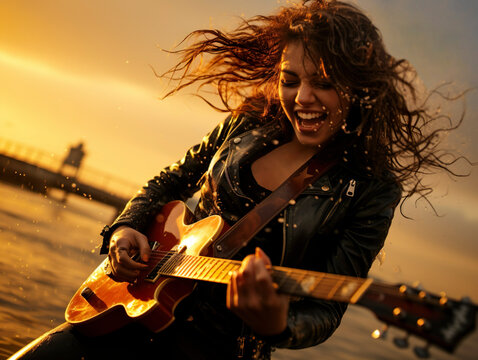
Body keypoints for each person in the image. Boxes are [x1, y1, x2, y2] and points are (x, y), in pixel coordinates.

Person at [10, 1, 466, 359]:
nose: (302, 98)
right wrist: (126, 228)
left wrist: (276, 324)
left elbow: (325, 312)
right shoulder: (250, 121)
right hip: (123, 312)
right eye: (290, 80)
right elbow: (168, 182)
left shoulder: (371, 187)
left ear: (359, 86)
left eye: (323, 83)